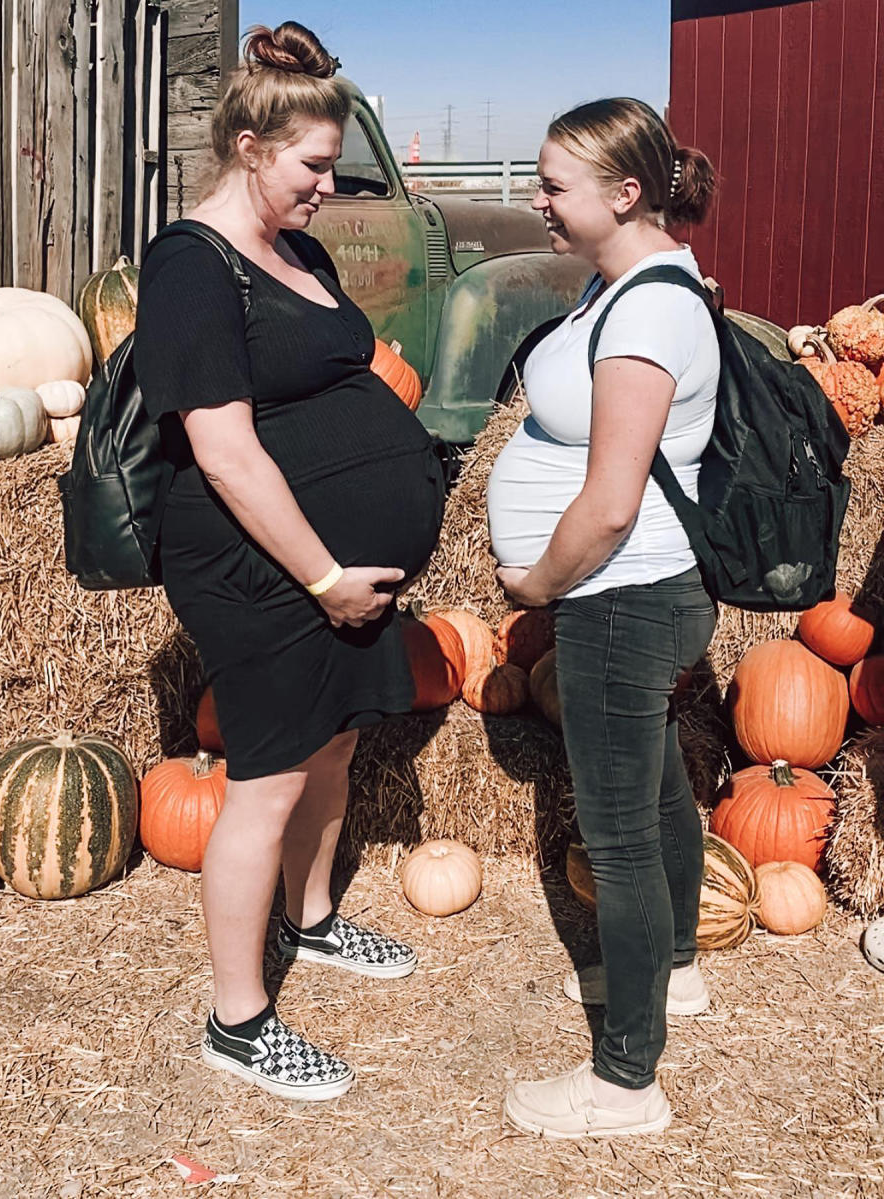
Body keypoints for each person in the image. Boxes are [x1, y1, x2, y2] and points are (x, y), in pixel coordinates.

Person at [133, 22, 445, 1103]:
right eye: (315, 164)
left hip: (335, 568)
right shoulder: (189, 266)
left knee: (336, 743)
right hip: (258, 568)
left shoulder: (299, 251)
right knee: (264, 780)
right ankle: (238, 1019)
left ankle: (307, 920)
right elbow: (224, 450)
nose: (329, 186)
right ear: (252, 146)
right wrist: (325, 576)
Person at [486, 98, 720, 1138]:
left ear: (626, 194)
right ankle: (673, 974)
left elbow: (615, 496)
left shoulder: (652, 308)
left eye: (551, 185)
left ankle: (626, 1080)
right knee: (658, 779)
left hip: (620, 595)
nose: (535, 199)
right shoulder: (617, 286)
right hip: (630, 594)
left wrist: (537, 584)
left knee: (618, 836)